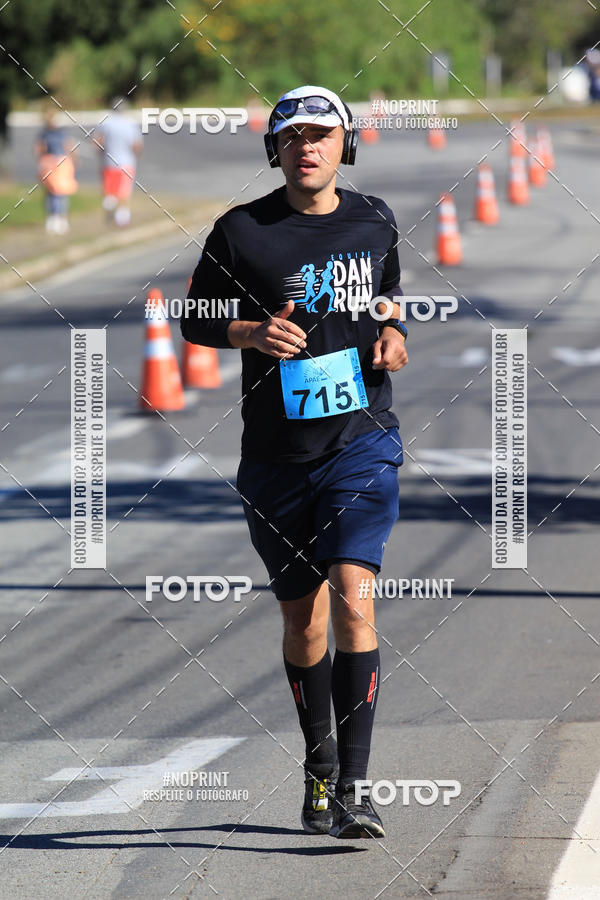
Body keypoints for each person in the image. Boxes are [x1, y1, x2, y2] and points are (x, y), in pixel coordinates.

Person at [182, 85, 408, 839]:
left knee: (353, 594)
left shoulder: (374, 219)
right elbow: (196, 318)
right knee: (303, 621)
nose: (306, 146)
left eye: (321, 134)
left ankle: (356, 787)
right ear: (274, 151)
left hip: (361, 441)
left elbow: (387, 295)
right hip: (277, 455)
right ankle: (317, 770)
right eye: (292, 136)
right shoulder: (242, 232)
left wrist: (394, 333)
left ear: (346, 144)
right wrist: (249, 335)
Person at [96, 98, 143, 227]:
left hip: (108, 163)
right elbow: (137, 145)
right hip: (126, 163)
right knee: (124, 193)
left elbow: (98, 143)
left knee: (110, 191)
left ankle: (110, 205)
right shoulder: (130, 124)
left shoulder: (106, 124)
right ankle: (122, 219)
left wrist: (101, 154)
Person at [35, 110, 78, 234]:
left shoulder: (49, 134)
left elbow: (39, 150)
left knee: (56, 193)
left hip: (55, 165)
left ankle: (56, 219)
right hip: (56, 164)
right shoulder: (50, 134)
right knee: (57, 193)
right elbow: (69, 148)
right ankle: (57, 219)